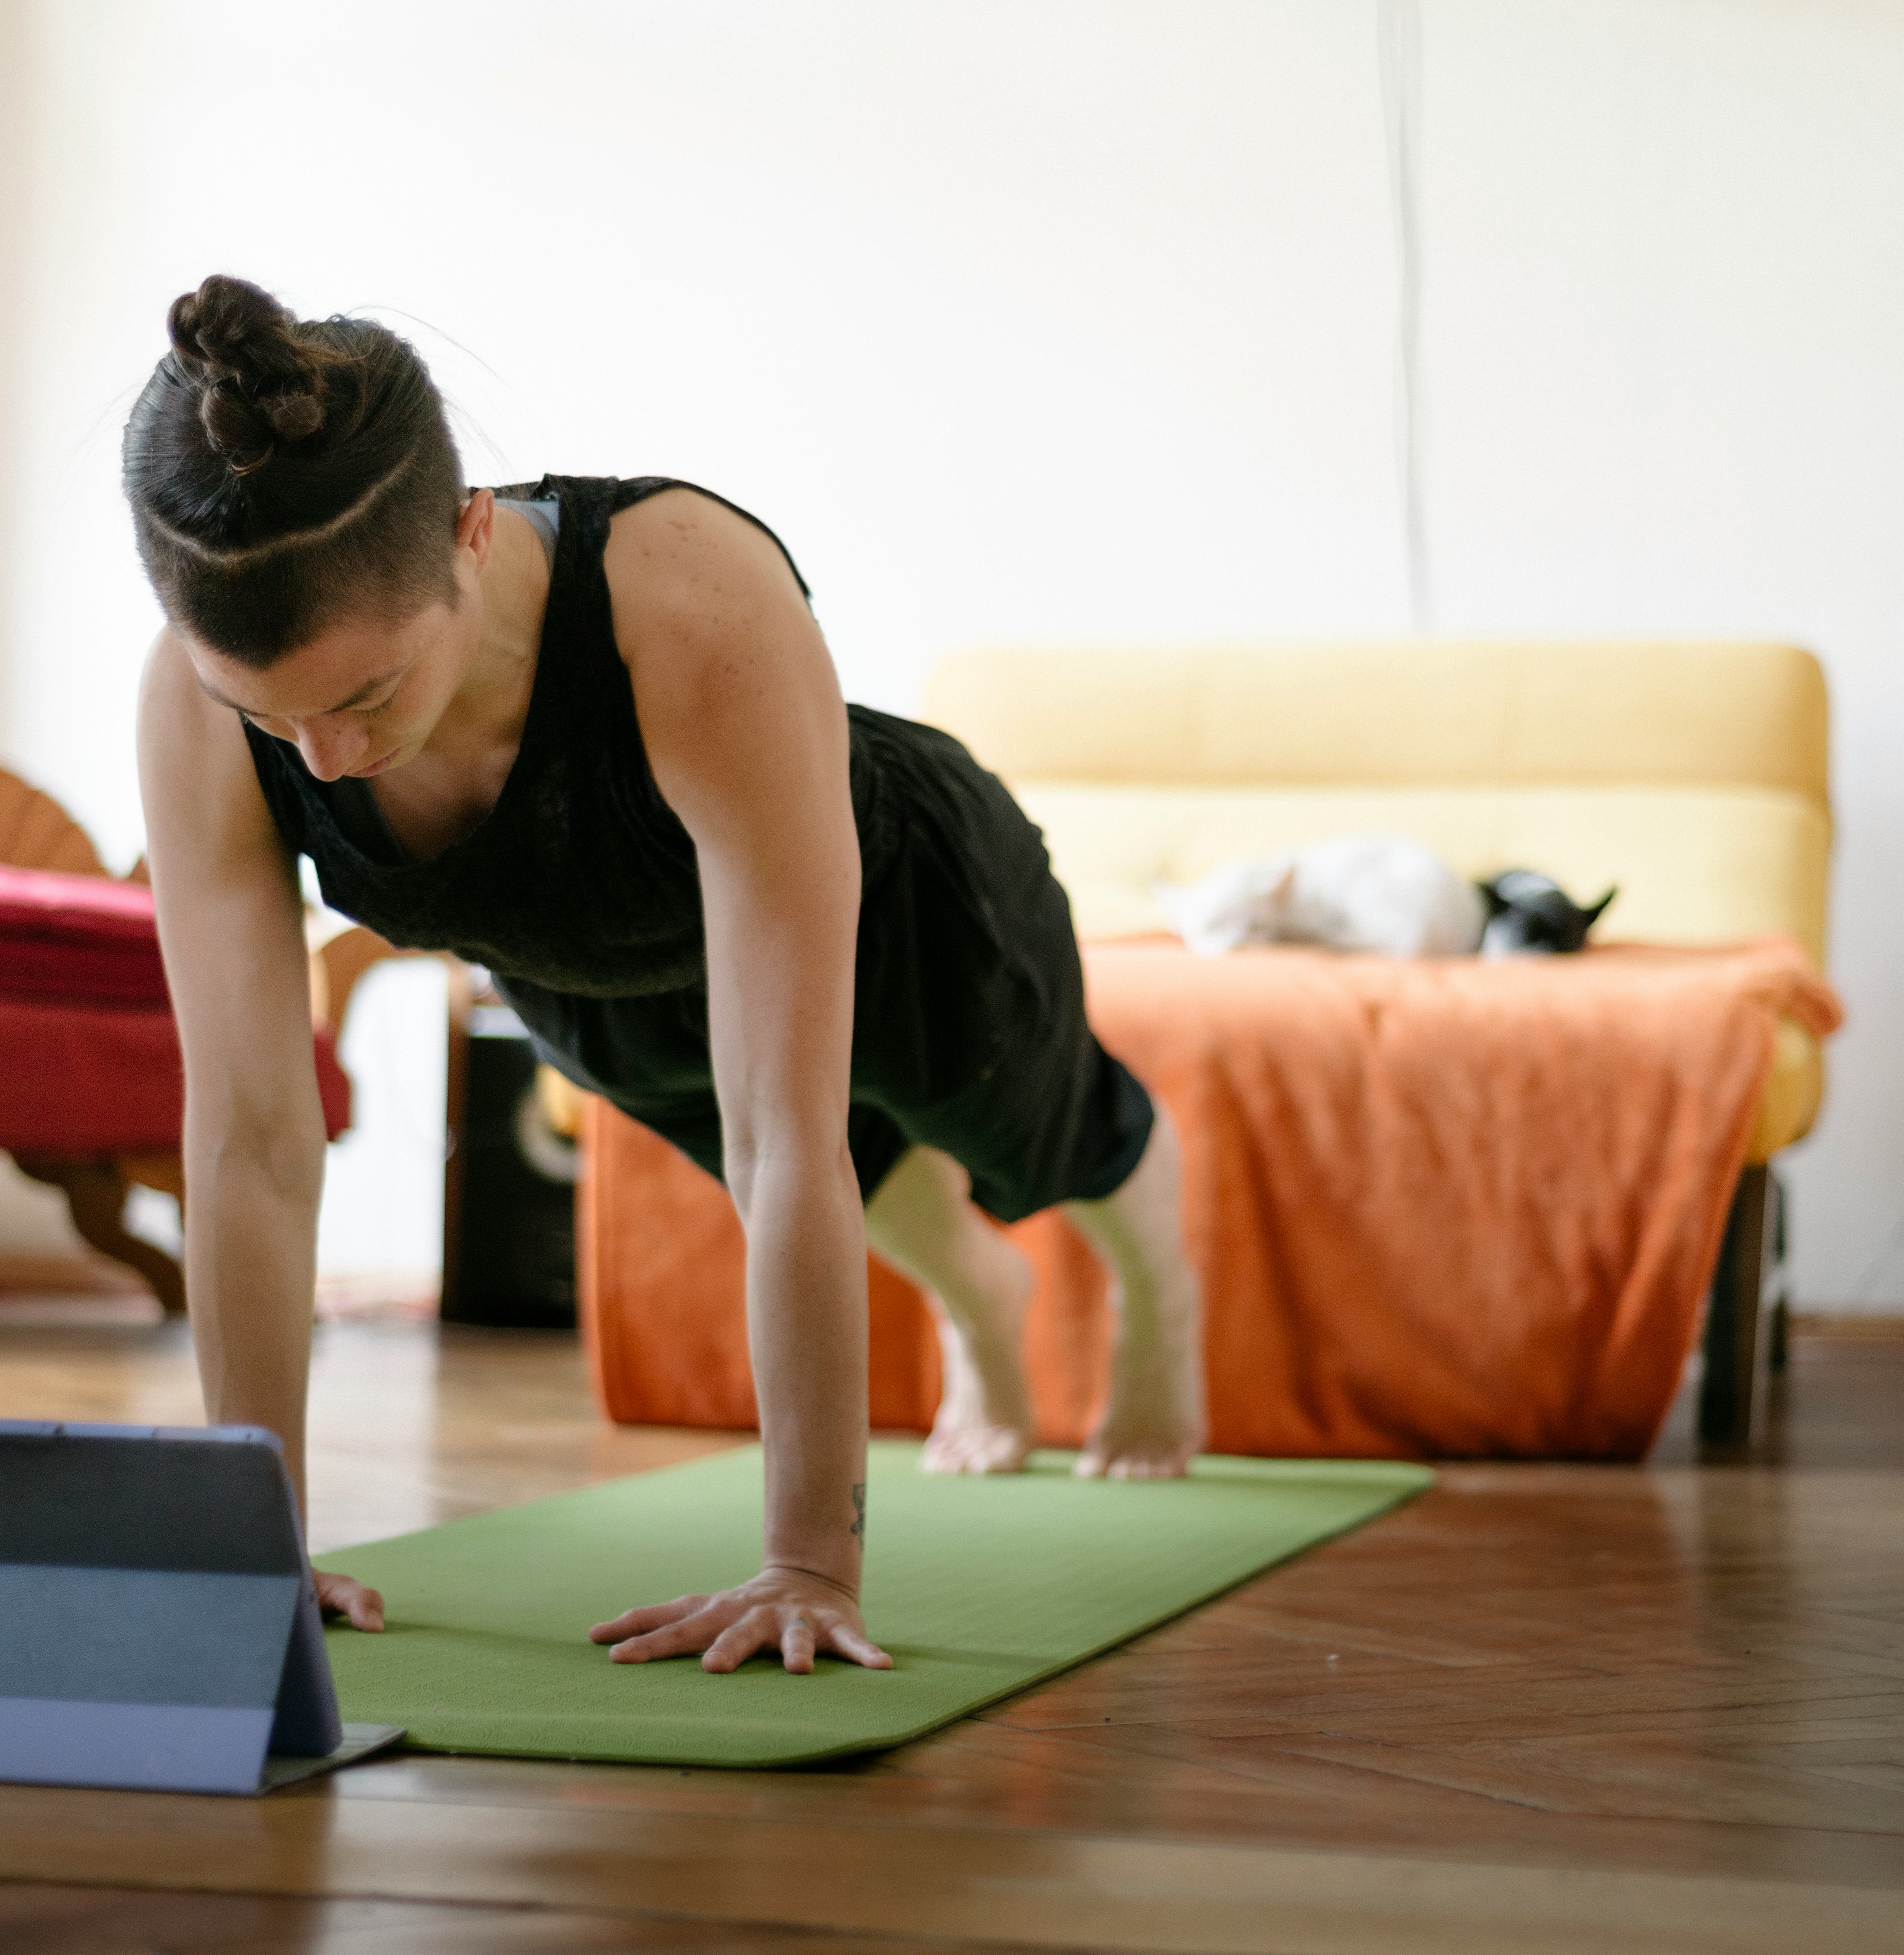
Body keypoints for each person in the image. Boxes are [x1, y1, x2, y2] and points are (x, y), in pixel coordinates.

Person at [126, 276, 1205, 1676]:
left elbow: (783, 1140)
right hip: (602, 972)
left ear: (472, 535)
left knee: (1034, 1137)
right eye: (262, 712)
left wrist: (810, 1564)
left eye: (365, 698)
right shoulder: (200, 711)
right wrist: (250, 1541)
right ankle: (981, 1311)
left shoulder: (690, 599)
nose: (320, 761)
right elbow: (257, 1141)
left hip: (917, 900)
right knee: (880, 1196)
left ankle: (1160, 1299)